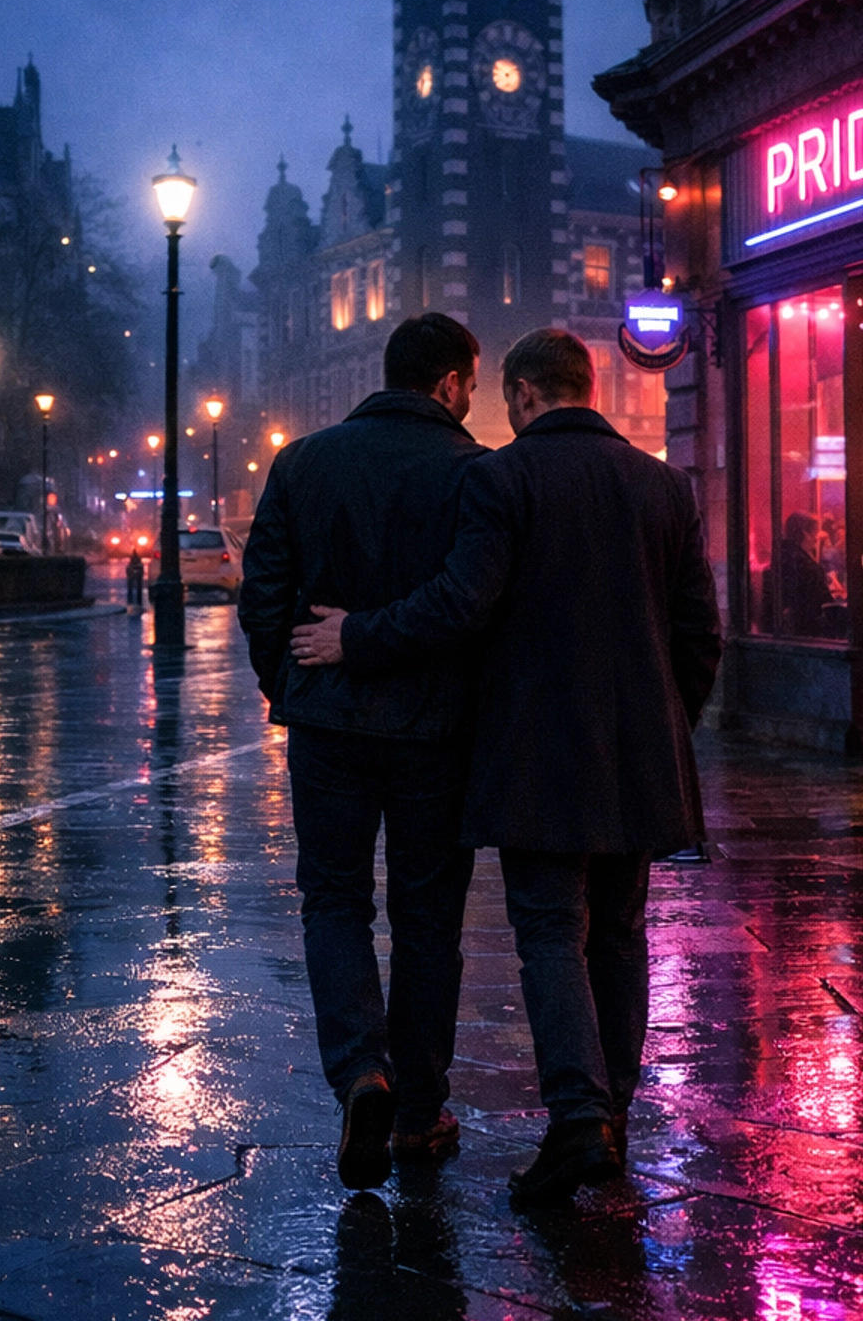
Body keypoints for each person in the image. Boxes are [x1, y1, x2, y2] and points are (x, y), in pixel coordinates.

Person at [292, 327, 722, 1209]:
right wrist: (667, 722)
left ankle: (578, 1116)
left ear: (524, 394)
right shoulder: (665, 486)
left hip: (538, 752)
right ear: (588, 387)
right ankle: (612, 1115)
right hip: (640, 755)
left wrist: (355, 637)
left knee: (551, 931)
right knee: (619, 934)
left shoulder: (503, 477)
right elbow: (699, 633)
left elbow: (460, 604)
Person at [238, 313, 483, 1192]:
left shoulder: (303, 462)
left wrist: (288, 682)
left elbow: (262, 594)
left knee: (334, 901)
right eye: (470, 385)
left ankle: (360, 1072)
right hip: (435, 729)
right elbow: (472, 604)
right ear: (449, 382)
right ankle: (418, 1111)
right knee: (428, 918)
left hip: (328, 724)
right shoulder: (473, 469)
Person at [124, 547, 145, 611]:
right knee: (138, 589)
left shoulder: (131, 563)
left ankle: (130, 600)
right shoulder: (139, 562)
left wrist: (129, 574)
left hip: (132, 576)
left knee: (131, 589)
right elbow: (141, 569)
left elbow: (128, 570)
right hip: (138, 576)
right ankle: (138, 601)